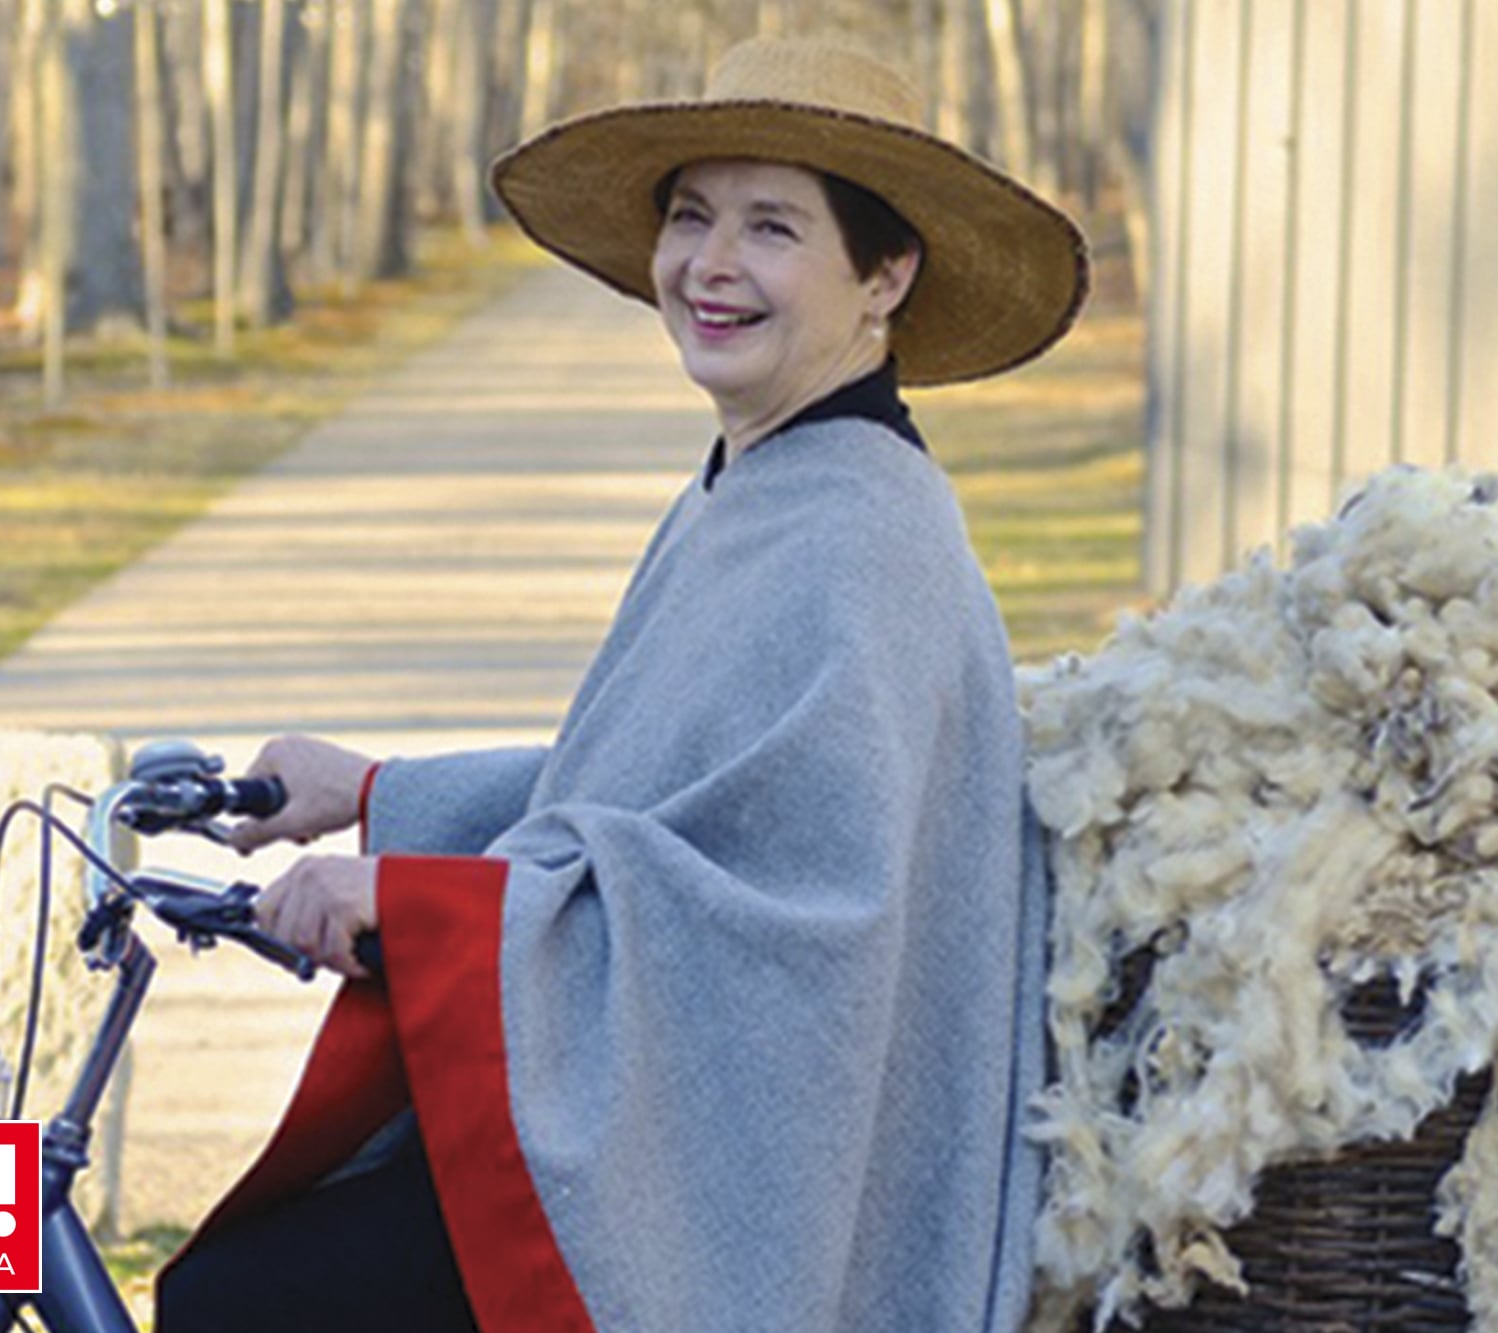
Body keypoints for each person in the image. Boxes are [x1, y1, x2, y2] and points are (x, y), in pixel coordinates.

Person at [156, 34, 1087, 1333]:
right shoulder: (763, 483)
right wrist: (375, 794)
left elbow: (794, 922)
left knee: (242, 1299)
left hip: (748, 1201)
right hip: (680, 1129)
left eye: (773, 228)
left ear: (886, 274)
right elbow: (664, 792)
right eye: (692, 216)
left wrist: (428, 906)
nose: (710, 265)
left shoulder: (859, 544)